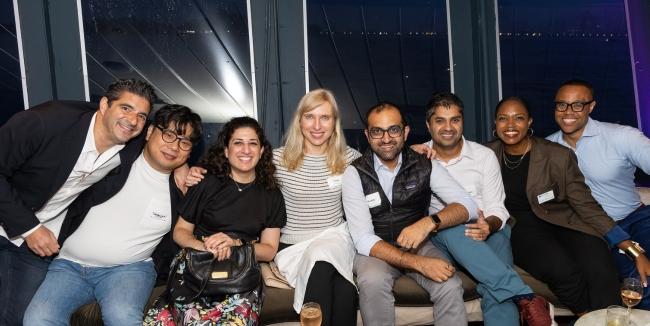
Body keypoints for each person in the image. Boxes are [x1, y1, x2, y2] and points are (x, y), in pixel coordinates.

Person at [23, 105, 202, 326]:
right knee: (37, 319)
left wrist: (185, 168)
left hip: (129, 270)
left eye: (184, 142)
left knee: (123, 317)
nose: (174, 147)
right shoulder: (114, 157)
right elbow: (104, 118)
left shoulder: (185, 190)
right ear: (149, 132)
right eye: (169, 135)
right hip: (68, 266)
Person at [0, 79, 157, 325]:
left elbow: (168, 142)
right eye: (125, 108)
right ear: (104, 104)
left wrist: (183, 168)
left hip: (37, 244)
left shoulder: (131, 142)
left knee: (21, 317)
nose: (133, 120)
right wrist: (29, 227)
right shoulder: (44, 123)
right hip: (21, 223)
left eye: (141, 115)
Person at [485, 96, 644, 314]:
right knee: (561, 270)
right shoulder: (484, 155)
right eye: (503, 119)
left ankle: (608, 319)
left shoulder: (557, 155)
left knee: (599, 263)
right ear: (495, 123)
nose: (510, 125)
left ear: (530, 122)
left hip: (562, 220)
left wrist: (631, 248)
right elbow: (453, 160)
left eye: (518, 118)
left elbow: (585, 203)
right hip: (519, 226)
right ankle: (585, 317)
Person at [413, 92, 550, 325]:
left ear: (462, 122)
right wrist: (410, 157)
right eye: (440, 120)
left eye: (455, 120)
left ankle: (518, 298)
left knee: (494, 286)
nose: (448, 127)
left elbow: (497, 207)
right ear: (428, 125)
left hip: (488, 229)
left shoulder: (483, 156)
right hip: (444, 235)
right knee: (451, 224)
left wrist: (489, 226)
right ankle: (525, 296)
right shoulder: (417, 158)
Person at [342, 102, 479, 326]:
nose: (386, 139)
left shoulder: (424, 164)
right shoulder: (354, 173)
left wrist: (429, 222)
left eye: (394, 129)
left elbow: (468, 206)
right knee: (372, 281)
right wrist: (418, 263)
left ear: (405, 132)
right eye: (377, 131)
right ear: (367, 135)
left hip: (420, 243)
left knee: (450, 284)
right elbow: (363, 239)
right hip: (375, 249)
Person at [145, 116, 286, 325]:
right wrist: (207, 246)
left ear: (262, 150)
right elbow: (180, 231)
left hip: (240, 272)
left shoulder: (271, 193)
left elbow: (269, 248)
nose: (246, 150)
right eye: (238, 143)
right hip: (195, 266)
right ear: (227, 151)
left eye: (252, 143)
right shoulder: (206, 182)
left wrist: (236, 244)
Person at [546, 79, 650, 309]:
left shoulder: (621, 136)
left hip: (637, 218)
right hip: (596, 232)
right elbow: (541, 196)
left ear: (591, 107)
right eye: (561, 105)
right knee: (638, 279)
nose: (568, 112)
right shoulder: (548, 149)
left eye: (577, 105)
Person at [271, 89, 360, 326]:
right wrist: (189, 169)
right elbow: (237, 171)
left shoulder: (351, 158)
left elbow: (387, 166)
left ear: (334, 123)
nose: (317, 125)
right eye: (310, 116)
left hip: (334, 238)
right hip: (293, 246)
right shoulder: (276, 160)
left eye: (325, 117)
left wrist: (417, 150)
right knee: (345, 289)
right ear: (299, 121)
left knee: (325, 265)